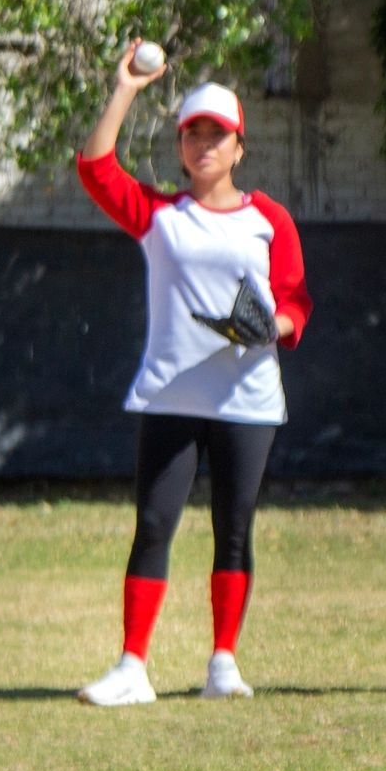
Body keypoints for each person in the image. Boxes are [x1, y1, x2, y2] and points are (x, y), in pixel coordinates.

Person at [73, 44, 312, 706]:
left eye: (218, 133)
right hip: (173, 395)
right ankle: (132, 666)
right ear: (180, 146)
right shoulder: (161, 217)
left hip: (248, 398)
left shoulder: (269, 219)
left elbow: (294, 298)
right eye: (194, 133)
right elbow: (95, 169)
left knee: (233, 530)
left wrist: (279, 327)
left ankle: (223, 664)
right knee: (154, 525)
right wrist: (124, 88)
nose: (206, 143)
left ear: (240, 146)